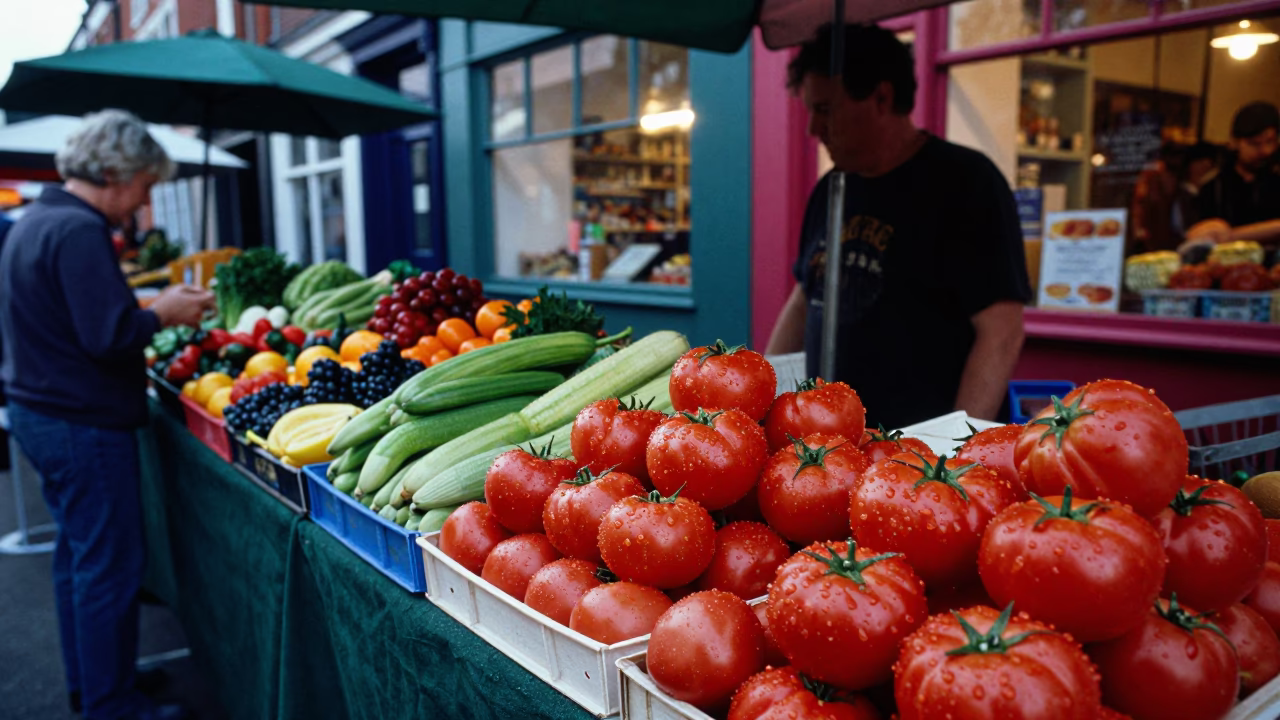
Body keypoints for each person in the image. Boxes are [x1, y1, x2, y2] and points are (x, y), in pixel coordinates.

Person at [0, 110, 214, 720]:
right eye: (146, 185)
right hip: (81, 424)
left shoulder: (37, 221)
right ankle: (111, 705)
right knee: (107, 569)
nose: (145, 201)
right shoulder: (78, 231)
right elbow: (109, 335)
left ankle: (95, 687)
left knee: (78, 561)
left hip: (43, 413)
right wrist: (163, 311)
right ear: (116, 172)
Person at [766, 24, 1031, 430]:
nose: (812, 129)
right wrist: (765, 399)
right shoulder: (830, 190)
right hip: (827, 444)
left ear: (881, 98)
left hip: (921, 452)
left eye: (825, 109)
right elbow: (806, 296)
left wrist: (958, 446)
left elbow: (1002, 331)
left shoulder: (966, 182)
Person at [1185, 101, 1280, 250]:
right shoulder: (1214, 186)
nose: (1266, 151)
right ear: (1234, 142)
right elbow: (1201, 236)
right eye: (1255, 144)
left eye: (1271, 142)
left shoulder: (1275, 180)